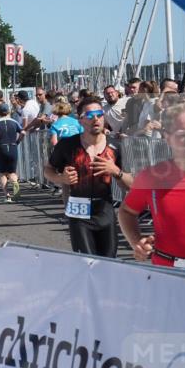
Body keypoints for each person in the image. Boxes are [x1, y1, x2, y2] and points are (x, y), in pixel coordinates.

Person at [44, 97, 133, 258]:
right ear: (81, 119)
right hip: (79, 213)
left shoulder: (115, 146)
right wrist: (61, 179)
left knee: (108, 264)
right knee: (87, 263)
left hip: (105, 211)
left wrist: (116, 171)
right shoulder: (67, 145)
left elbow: (131, 184)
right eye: (91, 115)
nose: (96, 119)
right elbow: (48, 169)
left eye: (99, 114)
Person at [118, 102, 185, 268]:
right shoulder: (152, 177)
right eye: (182, 134)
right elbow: (127, 211)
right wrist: (137, 243)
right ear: (167, 137)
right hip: (167, 272)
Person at [0, 103, 23, 202]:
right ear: (8, 112)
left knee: (3, 173)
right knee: (12, 172)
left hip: (1, 148)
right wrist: (18, 141)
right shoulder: (14, 122)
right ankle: (15, 183)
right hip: (13, 147)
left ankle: (7, 195)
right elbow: (23, 132)